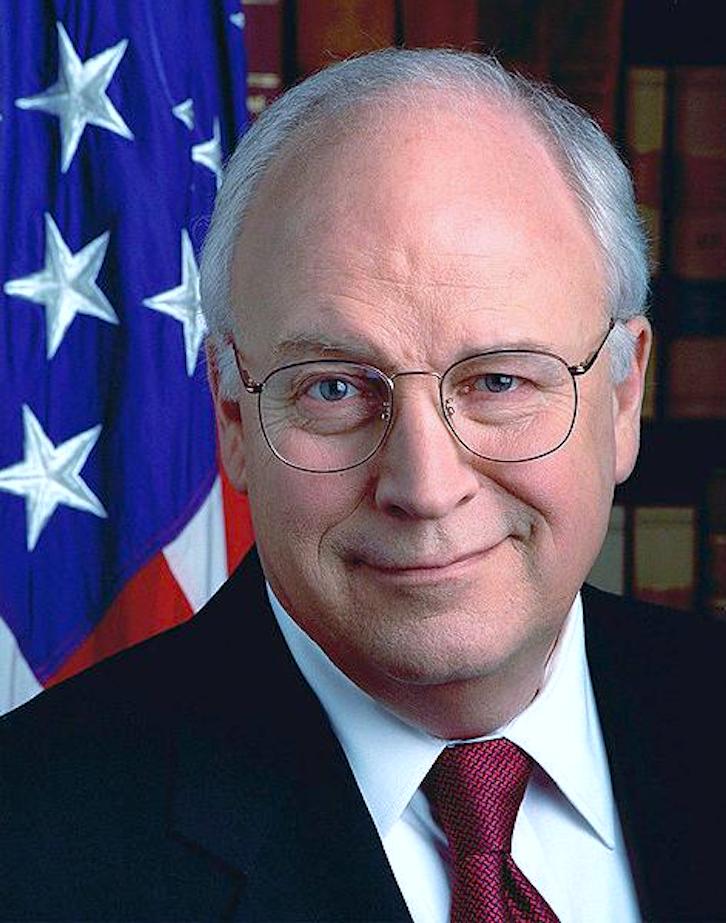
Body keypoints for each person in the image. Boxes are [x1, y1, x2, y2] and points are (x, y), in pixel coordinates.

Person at [1, 47, 725, 922]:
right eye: (334, 389)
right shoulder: (28, 848)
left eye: (499, 380)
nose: (425, 486)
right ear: (232, 417)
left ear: (622, 396)